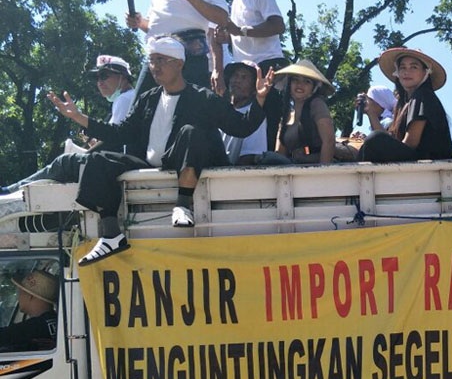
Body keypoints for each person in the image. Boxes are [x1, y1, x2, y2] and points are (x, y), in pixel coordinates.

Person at [4, 37, 274, 265]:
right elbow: (120, 133)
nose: (154, 66)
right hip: (151, 163)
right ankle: (111, 234)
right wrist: (80, 118)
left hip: (183, 162)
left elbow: (241, 128)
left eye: (160, 60)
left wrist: (261, 100)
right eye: (151, 60)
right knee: (97, 159)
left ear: (178, 63)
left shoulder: (202, 97)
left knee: (191, 132)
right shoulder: (148, 99)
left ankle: (183, 205)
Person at [126, 0, 229, 100]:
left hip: (189, 57)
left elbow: (222, 17)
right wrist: (140, 22)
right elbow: (155, 25)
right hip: (156, 54)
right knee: (139, 110)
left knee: (190, 111)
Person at [220, 0, 289, 150]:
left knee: (265, 123)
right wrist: (228, 38)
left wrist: (241, 31)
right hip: (245, 70)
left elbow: (278, 25)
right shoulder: (236, 0)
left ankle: (265, 163)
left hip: (266, 66)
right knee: (245, 121)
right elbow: (240, 33)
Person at [359, 48, 452, 162]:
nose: (406, 72)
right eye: (402, 67)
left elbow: (410, 143)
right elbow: (391, 140)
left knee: (375, 140)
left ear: (425, 72)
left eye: (413, 67)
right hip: (413, 161)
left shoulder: (423, 96)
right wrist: (371, 113)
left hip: (430, 165)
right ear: (397, 73)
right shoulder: (402, 105)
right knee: (366, 145)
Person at [269, 60, 336, 165]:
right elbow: (280, 154)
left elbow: (329, 141)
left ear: (314, 88)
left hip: (316, 171)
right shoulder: (286, 115)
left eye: (307, 81)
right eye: (295, 80)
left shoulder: (316, 104)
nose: (300, 84)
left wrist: (323, 175)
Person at [221, 61, 268, 165]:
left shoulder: (255, 117)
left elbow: (249, 157)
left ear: (254, 88)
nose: (237, 80)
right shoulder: (220, 110)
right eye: (235, 75)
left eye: (244, 77)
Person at [0, 270, 59, 352]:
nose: (18, 298)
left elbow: (4, 336)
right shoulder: (58, 321)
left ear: (29, 296)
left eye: (20, 292)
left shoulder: (32, 328)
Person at [88, 55, 135, 125]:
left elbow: (115, 135)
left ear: (122, 77)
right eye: (97, 78)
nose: (99, 83)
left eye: (104, 76)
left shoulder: (124, 98)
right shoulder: (132, 96)